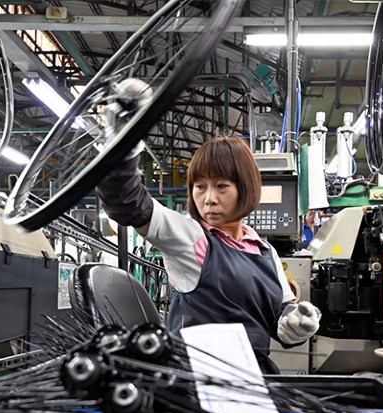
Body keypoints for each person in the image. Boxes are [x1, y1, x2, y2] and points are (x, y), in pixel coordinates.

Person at [94, 79, 320, 374]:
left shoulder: (265, 252)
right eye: (200, 187)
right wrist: (123, 140)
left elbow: (279, 313)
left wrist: (295, 322)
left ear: (246, 189)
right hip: (198, 383)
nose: (208, 199)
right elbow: (127, 203)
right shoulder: (190, 239)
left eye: (222, 186)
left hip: (252, 379)